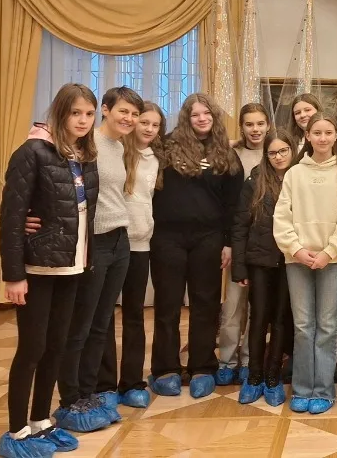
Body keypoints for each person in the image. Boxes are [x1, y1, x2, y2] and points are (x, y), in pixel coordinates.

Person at [0, 83, 100, 458]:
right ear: (60, 112)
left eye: (89, 114)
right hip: (37, 268)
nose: (83, 121)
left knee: (56, 346)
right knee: (32, 349)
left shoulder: (85, 155)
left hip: (71, 267)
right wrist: (13, 275)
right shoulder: (32, 152)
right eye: (76, 113)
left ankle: (41, 420)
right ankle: (17, 430)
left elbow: (83, 214)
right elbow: (11, 218)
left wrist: (85, 260)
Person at [55, 86, 143, 430]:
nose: (129, 119)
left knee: (102, 323)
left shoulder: (121, 146)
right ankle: (70, 399)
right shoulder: (85, 143)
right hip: (94, 242)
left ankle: (89, 394)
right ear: (105, 110)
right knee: (82, 324)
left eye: (134, 114)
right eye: (123, 111)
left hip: (120, 240)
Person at [149, 94, 244, 399]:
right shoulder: (165, 147)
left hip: (209, 238)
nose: (202, 119)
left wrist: (228, 243)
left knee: (205, 304)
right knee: (167, 304)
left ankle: (203, 366)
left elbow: (233, 205)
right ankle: (165, 368)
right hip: (167, 237)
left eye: (207, 114)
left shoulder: (226, 154)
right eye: (195, 115)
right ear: (186, 118)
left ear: (214, 117)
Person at [273, 113, 337, 415]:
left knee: (326, 326)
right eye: (317, 133)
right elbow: (282, 216)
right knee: (303, 326)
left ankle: (323, 390)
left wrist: (330, 251)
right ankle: (302, 389)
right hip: (297, 259)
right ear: (307, 136)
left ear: (336, 136)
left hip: (332, 260)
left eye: (328, 133)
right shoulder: (294, 174)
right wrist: (296, 249)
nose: (322, 138)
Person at [97, 101, 166, 409]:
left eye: (155, 124)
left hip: (141, 244)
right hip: (112, 241)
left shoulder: (157, 158)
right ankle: (104, 383)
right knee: (104, 314)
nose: (148, 128)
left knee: (135, 314)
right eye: (143, 122)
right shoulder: (115, 152)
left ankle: (132, 382)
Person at [231, 129, 298, 406]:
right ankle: (255, 375)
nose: (278, 157)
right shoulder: (255, 180)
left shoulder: (299, 177)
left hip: (290, 260)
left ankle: (273, 376)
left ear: (292, 150)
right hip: (259, 260)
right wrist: (239, 267)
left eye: (283, 151)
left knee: (281, 319)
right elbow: (240, 224)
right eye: (272, 153)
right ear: (266, 155)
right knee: (258, 318)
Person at [216, 103, 273, 386]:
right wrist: (227, 242)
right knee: (233, 306)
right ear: (241, 127)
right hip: (237, 240)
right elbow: (225, 203)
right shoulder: (232, 155)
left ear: (268, 125)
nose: (255, 129)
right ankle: (227, 360)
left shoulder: (276, 153)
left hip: (265, 243)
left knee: (258, 308)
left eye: (260, 123)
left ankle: (250, 359)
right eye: (249, 124)